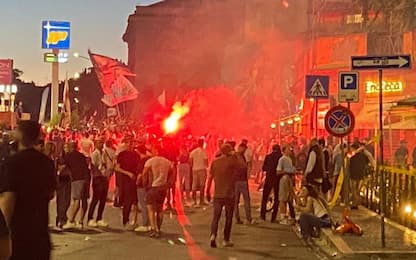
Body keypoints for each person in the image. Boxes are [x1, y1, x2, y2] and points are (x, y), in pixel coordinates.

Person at [0, 121, 56, 259]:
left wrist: (3, 234)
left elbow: (8, 200)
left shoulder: (12, 163)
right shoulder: (47, 162)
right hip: (40, 237)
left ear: (18, 136)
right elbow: (51, 194)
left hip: (18, 238)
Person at [207, 144, 245, 248]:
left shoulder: (215, 162)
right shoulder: (232, 161)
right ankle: (226, 239)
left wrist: (207, 191)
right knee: (228, 217)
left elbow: (210, 177)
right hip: (229, 194)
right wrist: (236, 155)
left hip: (218, 194)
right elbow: (243, 166)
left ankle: (213, 235)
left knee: (216, 217)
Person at [142, 145, 173, 238]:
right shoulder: (167, 162)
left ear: (156, 151)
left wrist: (145, 185)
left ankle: (153, 229)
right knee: (160, 209)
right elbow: (173, 172)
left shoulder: (150, 161)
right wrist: (169, 183)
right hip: (163, 187)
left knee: (150, 209)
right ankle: (159, 228)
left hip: (153, 187)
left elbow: (144, 173)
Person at [63, 142, 91, 229]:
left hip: (77, 178)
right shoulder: (81, 156)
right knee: (84, 200)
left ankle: (71, 221)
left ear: (70, 148)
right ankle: (81, 222)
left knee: (76, 200)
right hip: (86, 178)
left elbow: (63, 167)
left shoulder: (68, 156)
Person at [115, 138, 140, 230]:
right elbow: (117, 168)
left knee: (135, 201)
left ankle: (135, 220)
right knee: (127, 201)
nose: (130, 145)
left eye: (132, 143)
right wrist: (128, 173)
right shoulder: (122, 155)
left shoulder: (136, 155)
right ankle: (126, 220)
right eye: (128, 143)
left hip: (135, 179)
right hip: (125, 180)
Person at [87, 139, 109, 228]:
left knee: (103, 199)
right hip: (98, 178)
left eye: (102, 142)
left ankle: (99, 218)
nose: (101, 144)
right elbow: (93, 166)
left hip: (104, 177)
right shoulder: (95, 154)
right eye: (99, 142)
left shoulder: (103, 153)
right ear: (95, 144)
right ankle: (90, 218)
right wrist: (98, 174)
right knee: (96, 198)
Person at [260, 144, 282, 222]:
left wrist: (269, 169)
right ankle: (273, 218)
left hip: (269, 178)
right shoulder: (281, 157)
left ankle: (262, 215)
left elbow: (264, 168)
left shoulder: (268, 156)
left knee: (265, 198)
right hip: (278, 179)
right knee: (277, 199)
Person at [234, 143, 255, 225]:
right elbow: (243, 166)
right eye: (243, 149)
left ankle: (239, 218)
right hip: (240, 181)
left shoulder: (239, 156)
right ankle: (247, 219)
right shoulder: (237, 156)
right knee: (244, 200)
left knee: (237, 201)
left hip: (239, 180)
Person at [277, 145, 296, 225]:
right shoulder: (282, 159)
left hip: (289, 179)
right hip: (284, 179)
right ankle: (282, 217)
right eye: (288, 149)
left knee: (288, 198)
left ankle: (287, 216)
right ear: (284, 150)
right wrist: (287, 171)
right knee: (282, 198)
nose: (290, 150)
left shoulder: (289, 159)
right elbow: (278, 171)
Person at [134, 145, 151, 232]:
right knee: (149, 205)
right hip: (149, 185)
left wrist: (137, 182)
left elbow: (141, 174)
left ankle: (145, 224)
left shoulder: (142, 161)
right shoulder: (149, 159)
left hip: (142, 185)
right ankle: (150, 224)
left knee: (143, 205)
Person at [349, 143, 370, 209]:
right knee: (357, 190)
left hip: (353, 174)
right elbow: (367, 162)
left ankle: (355, 203)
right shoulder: (363, 155)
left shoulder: (352, 156)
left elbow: (349, 163)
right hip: (361, 174)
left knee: (353, 190)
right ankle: (356, 203)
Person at [55, 144, 71, 229]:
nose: (66, 149)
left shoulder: (70, 158)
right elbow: (57, 169)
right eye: (65, 147)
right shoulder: (60, 159)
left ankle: (62, 217)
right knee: (62, 201)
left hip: (67, 180)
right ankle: (61, 219)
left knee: (66, 201)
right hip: (62, 180)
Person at [189, 139, 209, 207]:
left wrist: (192, 167)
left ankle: (194, 201)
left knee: (194, 185)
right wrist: (206, 166)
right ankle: (201, 201)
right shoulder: (203, 152)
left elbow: (190, 161)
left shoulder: (193, 152)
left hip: (194, 169)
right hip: (202, 169)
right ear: (203, 143)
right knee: (202, 185)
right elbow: (206, 162)